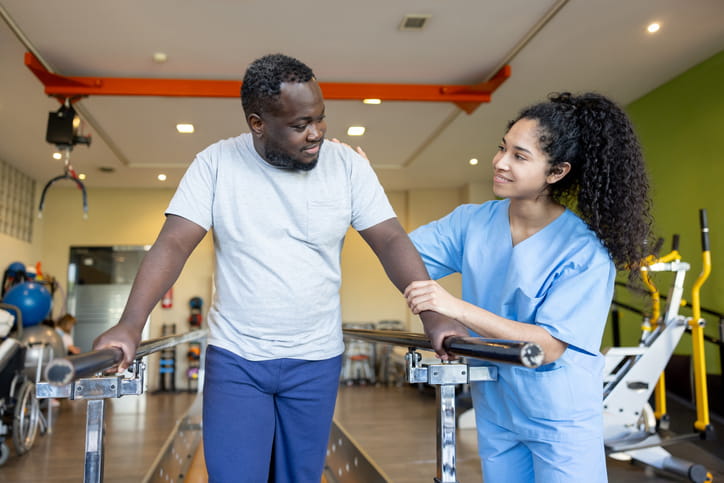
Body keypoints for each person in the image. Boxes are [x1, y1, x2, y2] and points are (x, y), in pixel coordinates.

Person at [92, 53, 462, 482]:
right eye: (300, 124)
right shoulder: (215, 164)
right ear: (257, 123)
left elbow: (392, 240)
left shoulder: (347, 166)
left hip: (316, 359)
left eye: (321, 119)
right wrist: (131, 323)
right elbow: (173, 243)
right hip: (237, 359)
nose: (317, 133)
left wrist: (434, 317)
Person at [403, 92, 652, 482]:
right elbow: (403, 257)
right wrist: (366, 196)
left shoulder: (583, 252)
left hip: (558, 416)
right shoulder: (473, 222)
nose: (500, 163)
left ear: (556, 172)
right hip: (497, 407)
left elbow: (548, 346)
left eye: (519, 156)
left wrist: (456, 309)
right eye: (502, 148)